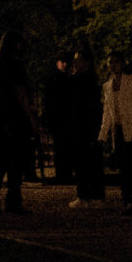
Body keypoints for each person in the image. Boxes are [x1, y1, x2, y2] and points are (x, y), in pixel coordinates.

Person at [0, 29, 36, 213]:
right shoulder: (16, 66)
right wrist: (29, 114)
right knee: (16, 161)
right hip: (15, 118)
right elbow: (20, 93)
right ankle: (13, 200)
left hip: (1, 117)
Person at [98, 55, 132, 213]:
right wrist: (103, 133)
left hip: (131, 127)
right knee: (123, 165)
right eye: (110, 63)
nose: (113, 66)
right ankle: (127, 198)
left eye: (116, 62)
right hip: (118, 128)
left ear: (122, 64)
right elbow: (107, 112)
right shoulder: (108, 85)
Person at [52, 52, 103, 207]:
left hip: (83, 126)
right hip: (85, 125)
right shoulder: (89, 79)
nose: (74, 63)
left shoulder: (81, 80)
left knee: (84, 160)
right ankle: (93, 195)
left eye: (78, 60)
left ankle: (85, 195)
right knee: (89, 161)